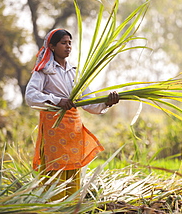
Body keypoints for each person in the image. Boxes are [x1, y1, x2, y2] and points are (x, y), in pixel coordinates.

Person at [25, 28, 119, 201]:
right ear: (52, 47)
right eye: (63, 43)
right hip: (54, 129)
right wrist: (56, 100)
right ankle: (52, 210)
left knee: (73, 175)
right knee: (54, 174)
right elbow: (31, 97)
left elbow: (89, 102)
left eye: (70, 43)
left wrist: (106, 102)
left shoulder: (75, 72)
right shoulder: (43, 70)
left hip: (72, 130)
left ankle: (71, 207)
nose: (68, 46)